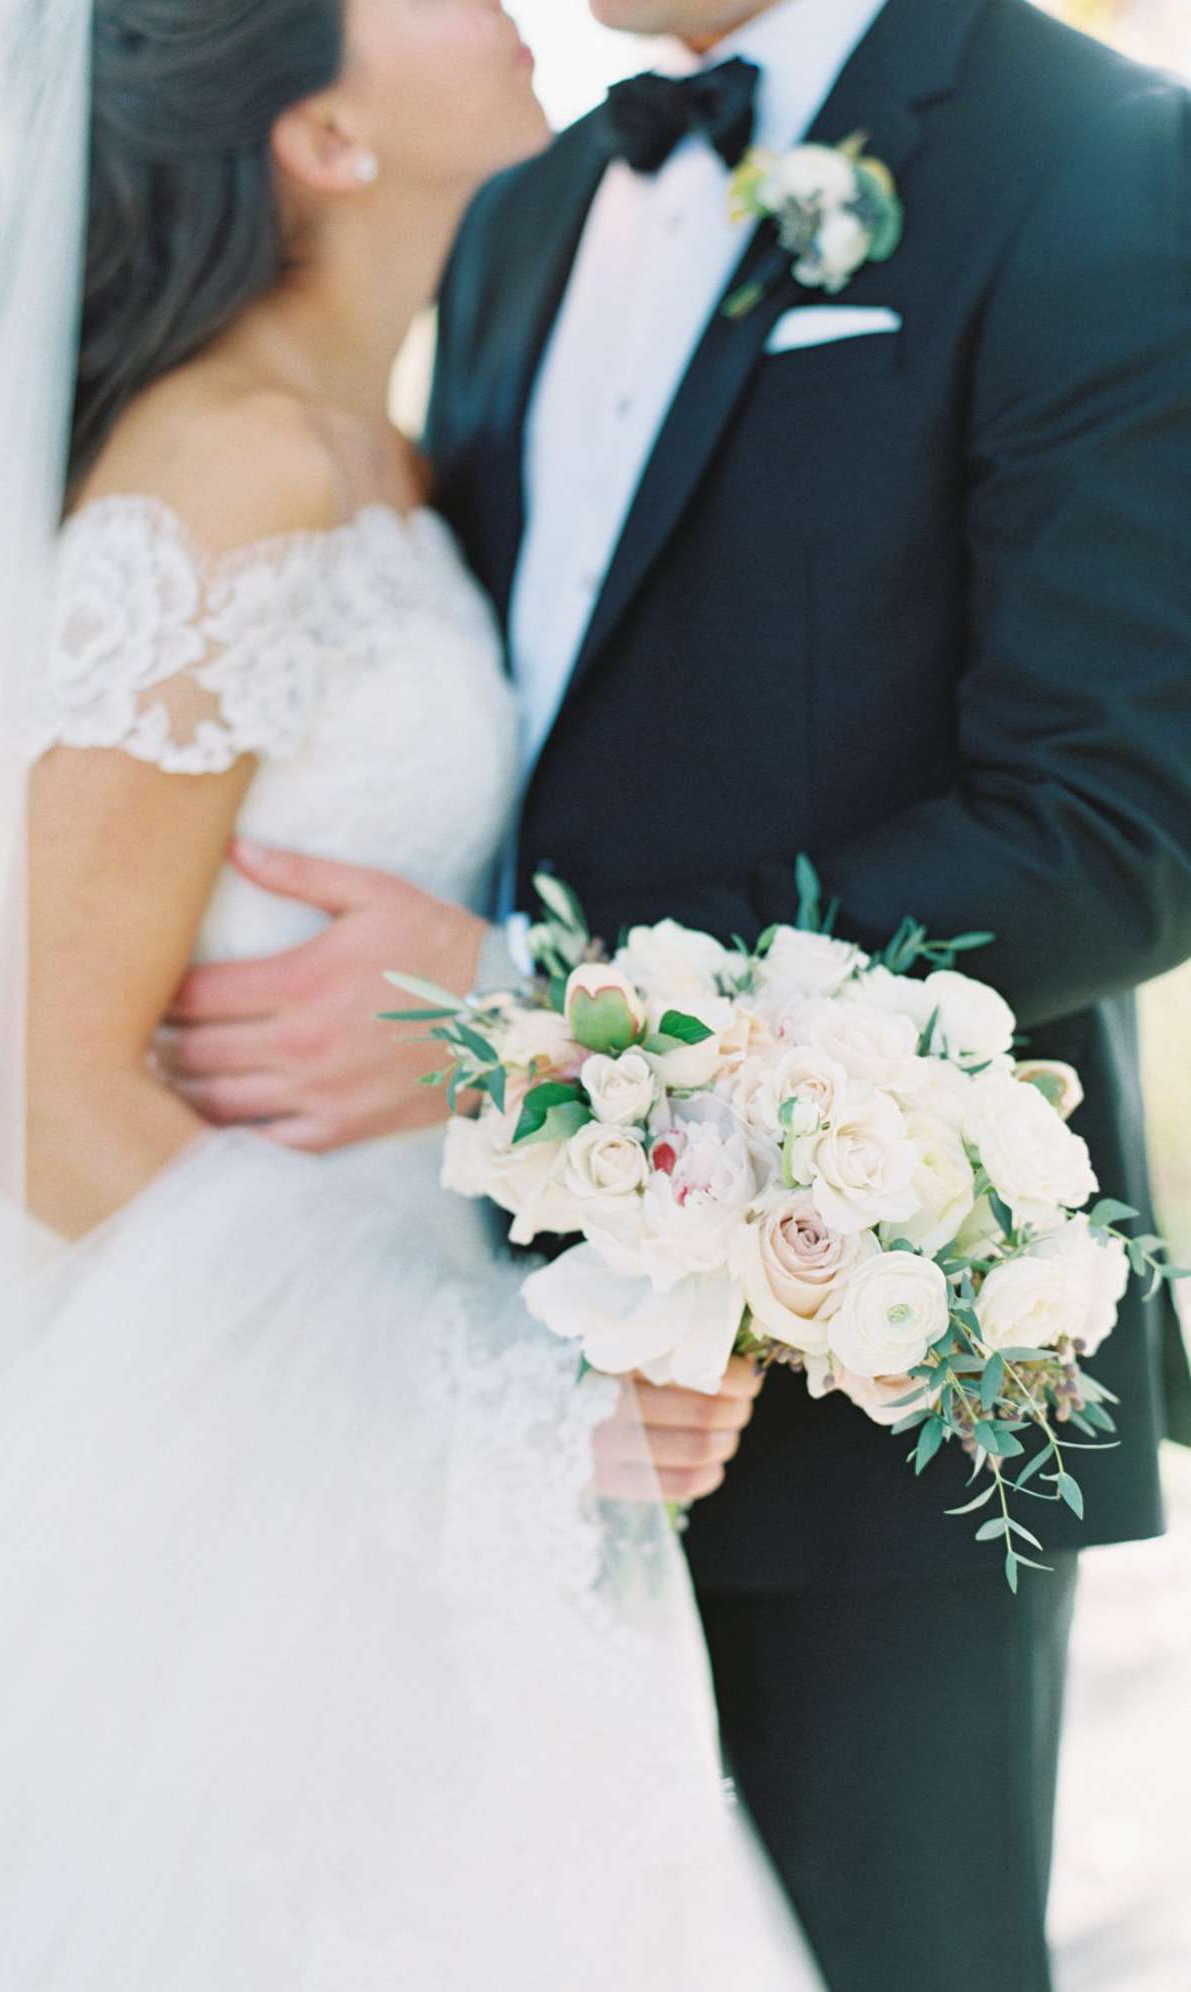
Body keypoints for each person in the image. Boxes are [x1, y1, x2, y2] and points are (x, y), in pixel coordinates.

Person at [0, 1, 818, 1984]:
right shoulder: (227, 471)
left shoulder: (377, 443)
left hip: (358, 1415)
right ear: (323, 139)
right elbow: (43, 1102)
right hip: (250, 1479)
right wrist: (491, 1405)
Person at [166, 1, 1191, 1986]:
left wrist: (537, 1006)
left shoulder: (1096, 158)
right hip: (460, 1368)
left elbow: (1113, 825)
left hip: (864, 1367)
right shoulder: (527, 195)